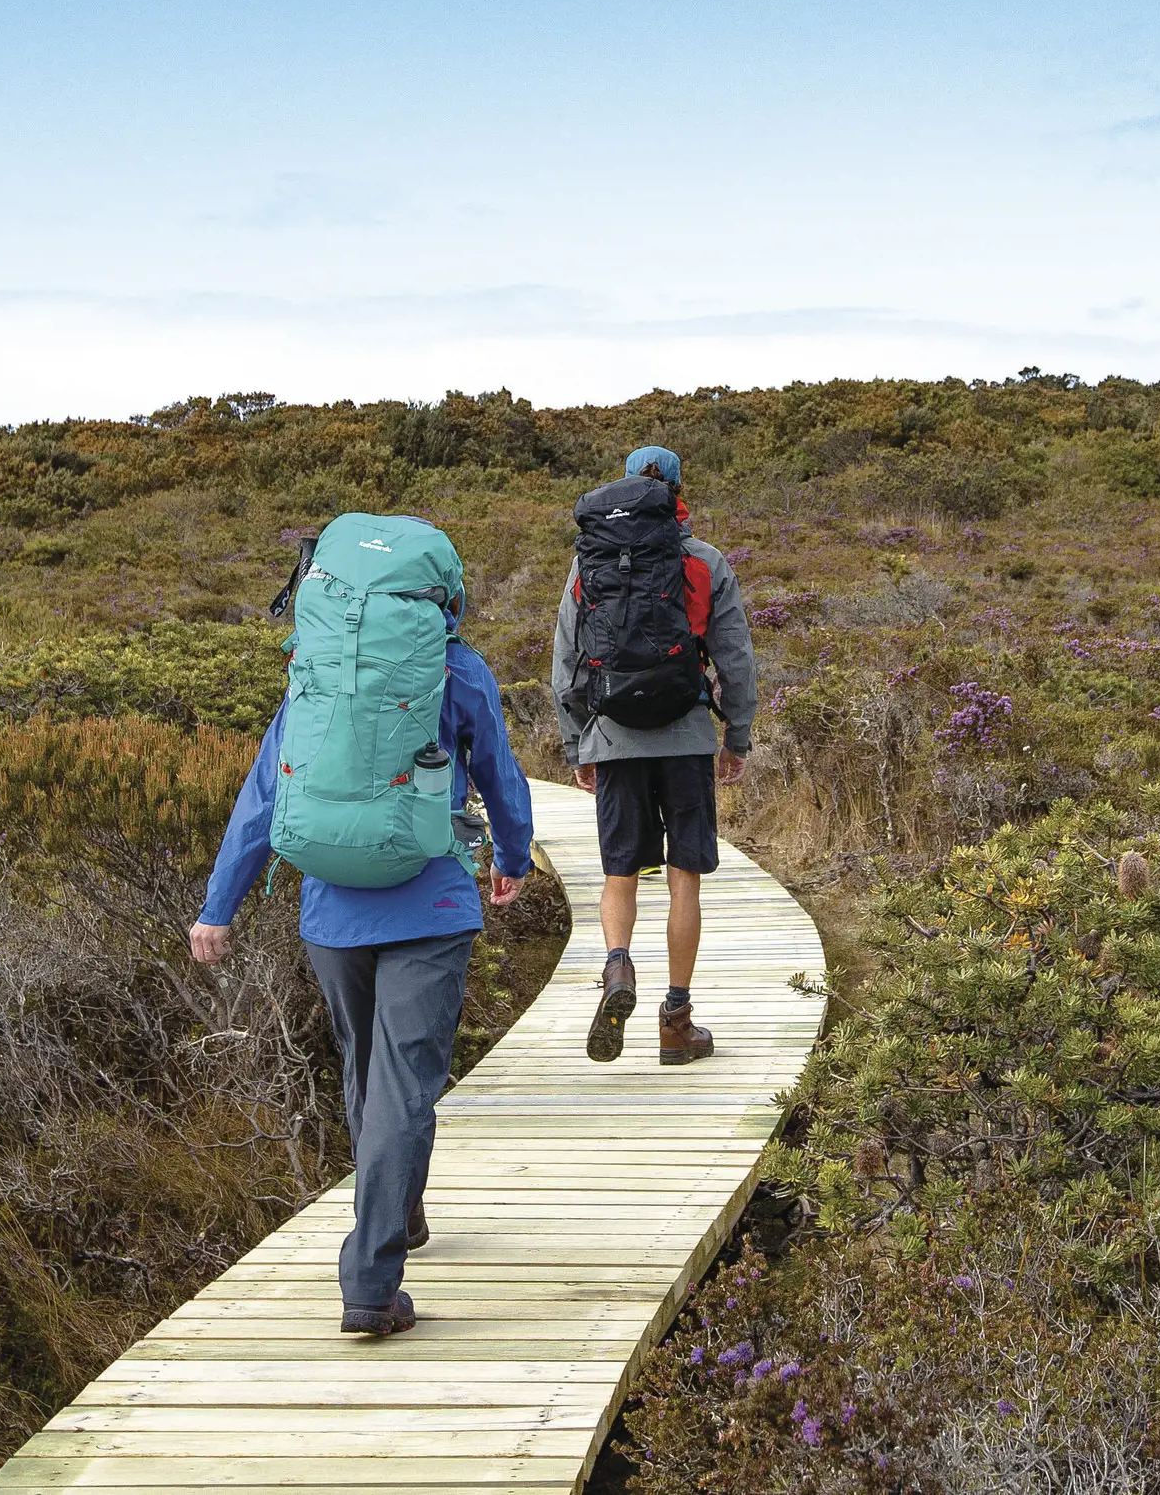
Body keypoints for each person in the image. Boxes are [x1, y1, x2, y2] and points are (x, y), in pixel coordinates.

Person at [189, 547, 535, 1339]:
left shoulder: (316, 675)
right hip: (432, 904)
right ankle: (371, 1285)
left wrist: (219, 907)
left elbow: (264, 793)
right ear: (441, 597)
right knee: (406, 1086)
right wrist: (511, 859)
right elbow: (502, 777)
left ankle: (399, 1210)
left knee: (365, 1073)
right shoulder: (457, 670)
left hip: (333, 910)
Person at [549, 443, 757, 1065]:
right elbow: (736, 660)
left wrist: (576, 743)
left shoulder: (589, 562)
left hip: (613, 735)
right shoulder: (704, 562)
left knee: (620, 870)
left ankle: (617, 968)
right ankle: (676, 1021)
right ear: (676, 489)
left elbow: (566, 660)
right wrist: (737, 736)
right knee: (682, 874)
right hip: (687, 733)